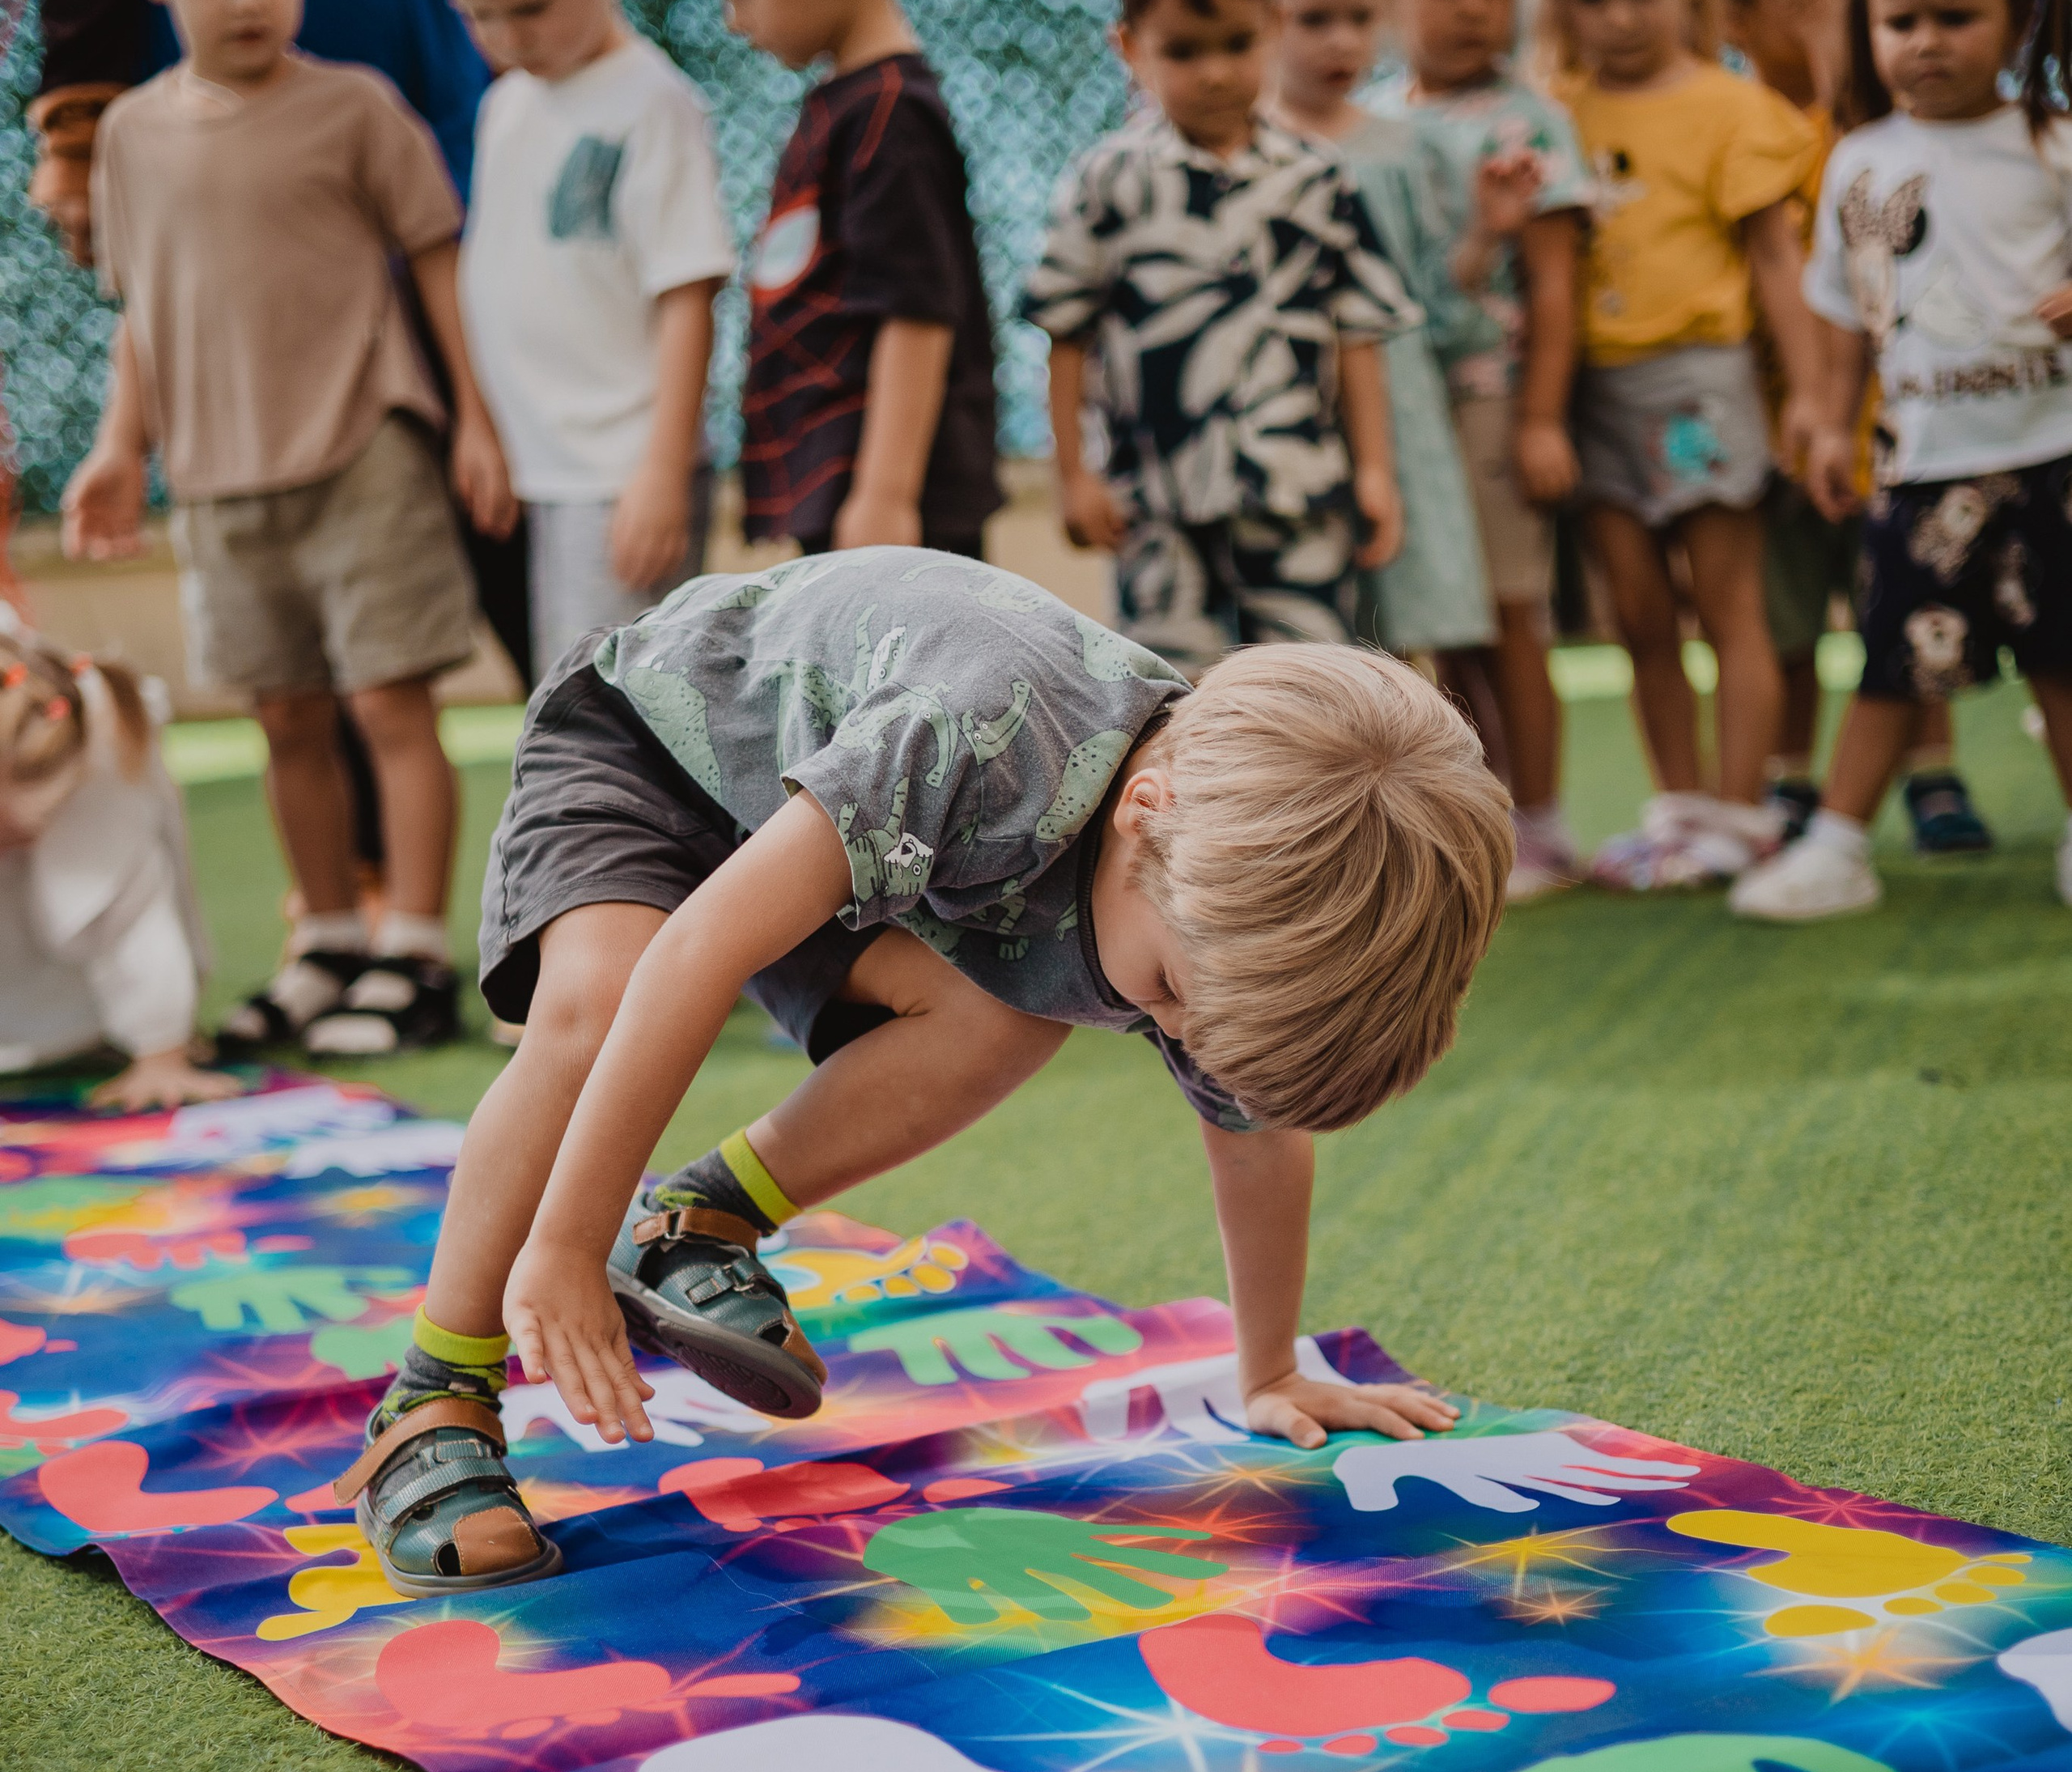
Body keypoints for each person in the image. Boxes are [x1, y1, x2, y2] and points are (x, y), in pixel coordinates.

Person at [334, 550, 1514, 1594]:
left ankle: (695, 1224)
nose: (1174, 1037)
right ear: (1143, 818)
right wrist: (561, 1244)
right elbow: (700, 949)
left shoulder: (1211, 885)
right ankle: (434, 1393)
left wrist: (1270, 1370)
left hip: (830, 835)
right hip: (657, 751)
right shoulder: (981, 731)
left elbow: (1253, 1127)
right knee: (595, 1008)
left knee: (1009, 1015)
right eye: (1165, 1000)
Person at [59, 0, 514, 1054]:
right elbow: (143, 315)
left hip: (366, 453)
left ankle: (412, 948)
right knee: (287, 719)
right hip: (217, 481)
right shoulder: (134, 140)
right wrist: (117, 449)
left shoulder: (356, 109)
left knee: (390, 709)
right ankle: (326, 940)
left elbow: (435, 257)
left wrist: (474, 415)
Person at [1731, 0, 2072, 923]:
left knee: (2062, 656)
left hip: (2050, 455)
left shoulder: (2050, 143)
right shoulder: (1856, 159)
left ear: (2017, 20)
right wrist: (1829, 421)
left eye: (1953, 18)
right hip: (1921, 464)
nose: (1924, 43)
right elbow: (1841, 314)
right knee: (1888, 662)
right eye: (1900, 21)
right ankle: (1837, 846)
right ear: (1867, 27)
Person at [1534, 0, 1824, 890]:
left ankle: (1742, 816)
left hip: (1702, 385)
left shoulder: (1734, 111)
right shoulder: (1554, 110)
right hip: (1594, 394)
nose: (1618, 17)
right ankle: (1682, 809)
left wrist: (1816, 405)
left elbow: (1779, 267)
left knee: (1727, 602)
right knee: (1639, 613)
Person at [1021, 0, 1415, 672]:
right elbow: (1063, 332)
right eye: (1184, 50)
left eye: (1237, 43)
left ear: (1272, 27)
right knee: (1174, 699)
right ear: (1132, 49)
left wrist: (1374, 470)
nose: (1215, 71)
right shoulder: (1107, 182)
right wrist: (1074, 474)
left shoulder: (1318, 179)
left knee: (1313, 691)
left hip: (1298, 490)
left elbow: (1359, 332)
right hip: (1156, 505)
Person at [416, 0, 735, 677]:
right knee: (571, 696)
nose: (507, 37)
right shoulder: (504, 106)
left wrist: (663, 468)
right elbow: (496, 280)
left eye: (529, 6)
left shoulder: (650, 103)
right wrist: (479, 427)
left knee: (620, 711)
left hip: (624, 474)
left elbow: (687, 294)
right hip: (543, 475)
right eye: (475, 13)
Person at [1715, 0, 1993, 860]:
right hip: (1774, 406)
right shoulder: (1740, 116)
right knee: (1792, 608)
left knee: (1901, 597)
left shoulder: (1872, 118)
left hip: (1889, 415)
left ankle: (1930, 768)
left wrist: (1832, 32)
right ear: (1734, 6)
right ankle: (1792, 774)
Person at [665, 0, 1000, 560]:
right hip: (843, 496)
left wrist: (884, 496)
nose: (731, 18)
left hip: (886, 501)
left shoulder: (891, 115)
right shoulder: (844, 102)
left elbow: (917, 312)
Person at [1379, 0, 1593, 897]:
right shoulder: (1375, 125)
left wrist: (1543, 416)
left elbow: (1554, 285)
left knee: (1511, 613)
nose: (1473, 8)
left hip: (1494, 403)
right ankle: (1462, 818)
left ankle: (1542, 822)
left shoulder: (1531, 121)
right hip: (1403, 409)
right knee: (1437, 620)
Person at [1238, 0, 1494, 682]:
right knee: (1298, 636)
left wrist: (1488, 232)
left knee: (1399, 619)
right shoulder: (1243, 151)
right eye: (1312, 19)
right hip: (1286, 411)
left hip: (1399, 408)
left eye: (1360, 17)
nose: (1342, 41)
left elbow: (1432, 291)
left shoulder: (1406, 147)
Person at [0, 609, 228, 1111]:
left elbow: (127, 906)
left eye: (15, 832)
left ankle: (135, 1029)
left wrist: (160, 1055)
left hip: (78, 774)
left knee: (91, 882)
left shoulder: (79, 742)